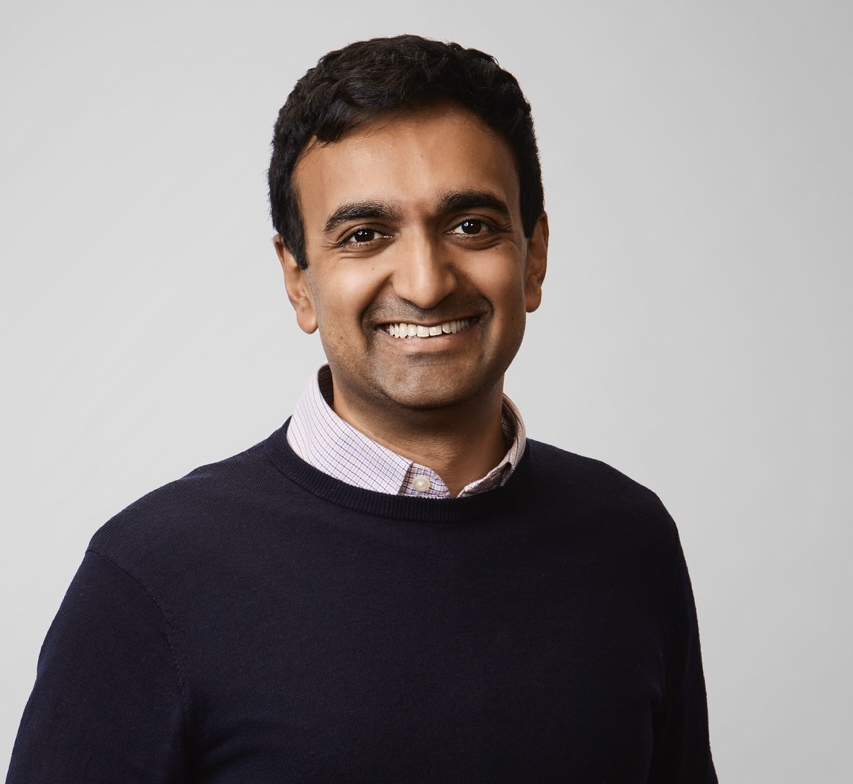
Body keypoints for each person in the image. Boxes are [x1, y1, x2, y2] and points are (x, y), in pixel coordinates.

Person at [6, 35, 716, 782]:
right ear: (298, 280)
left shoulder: (629, 537)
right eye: (365, 235)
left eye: (471, 226)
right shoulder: (151, 575)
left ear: (533, 256)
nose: (426, 282)